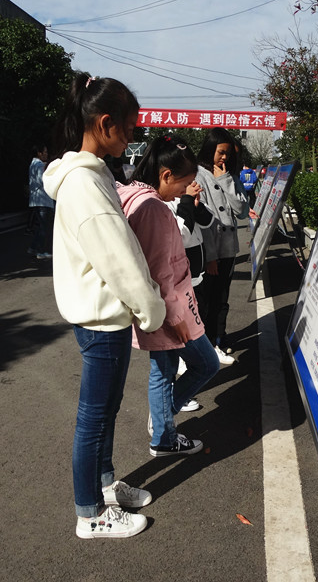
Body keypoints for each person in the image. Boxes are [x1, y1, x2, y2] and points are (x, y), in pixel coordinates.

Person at [42, 72, 166, 540]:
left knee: (106, 410)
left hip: (104, 315)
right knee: (94, 418)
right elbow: (118, 258)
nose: (132, 138)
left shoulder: (93, 176)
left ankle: (106, 485)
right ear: (105, 123)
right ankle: (89, 513)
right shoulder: (84, 184)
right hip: (101, 318)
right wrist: (151, 308)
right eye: (129, 128)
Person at [117, 135, 220, 457]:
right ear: (165, 175)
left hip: (155, 305)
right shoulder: (154, 209)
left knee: (164, 369)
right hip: (169, 306)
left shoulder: (130, 197)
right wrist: (175, 317)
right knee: (206, 364)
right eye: (184, 184)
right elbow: (160, 270)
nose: (185, 191)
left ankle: (163, 430)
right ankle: (162, 427)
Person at [194, 127, 249, 364]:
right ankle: (205, 345)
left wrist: (226, 181)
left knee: (222, 298)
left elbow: (242, 210)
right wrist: (210, 257)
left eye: (228, 153)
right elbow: (202, 221)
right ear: (210, 150)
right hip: (210, 250)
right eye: (220, 152)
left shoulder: (230, 176)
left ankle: (218, 338)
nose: (224, 157)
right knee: (205, 301)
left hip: (228, 248)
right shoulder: (198, 175)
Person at [167, 175, 214, 411]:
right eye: (185, 180)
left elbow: (208, 220)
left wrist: (195, 203)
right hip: (178, 285)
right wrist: (186, 200)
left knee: (194, 332)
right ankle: (174, 397)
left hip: (195, 278)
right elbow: (182, 234)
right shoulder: (164, 204)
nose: (190, 185)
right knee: (179, 345)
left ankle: (178, 393)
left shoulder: (184, 201)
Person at [28, 144, 54, 260]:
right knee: (44, 227)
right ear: (39, 153)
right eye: (45, 152)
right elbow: (42, 180)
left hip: (36, 200)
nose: (46, 154)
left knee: (40, 226)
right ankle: (41, 251)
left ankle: (33, 247)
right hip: (43, 200)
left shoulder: (33, 164)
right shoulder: (39, 165)